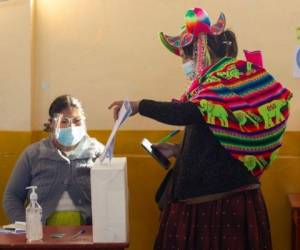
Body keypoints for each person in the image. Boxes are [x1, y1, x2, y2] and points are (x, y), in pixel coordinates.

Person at [109, 7, 292, 250]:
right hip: (208, 200)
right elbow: (217, 134)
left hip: (220, 206)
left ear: (201, 52)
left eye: (186, 56)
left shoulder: (226, 79)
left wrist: (139, 106)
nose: (185, 63)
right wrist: (177, 149)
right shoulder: (211, 85)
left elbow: (190, 112)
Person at [3, 95, 104, 225]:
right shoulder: (33, 154)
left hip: (88, 237)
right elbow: (12, 197)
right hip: (41, 238)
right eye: (64, 121)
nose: (71, 126)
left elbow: (112, 196)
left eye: (77, 121)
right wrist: (28, 227)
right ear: (52, 123)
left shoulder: (99, 152)